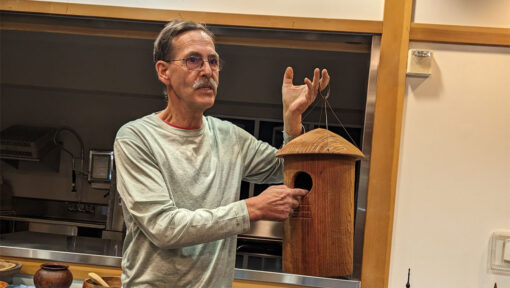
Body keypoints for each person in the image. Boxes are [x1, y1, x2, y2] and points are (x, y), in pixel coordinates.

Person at [114, 20, 330, 287]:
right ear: (164, 71)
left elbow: (284, 169)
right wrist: (252, 208)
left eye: (213, 61)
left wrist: (292, 119)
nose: (207, 71)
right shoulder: (136, 138)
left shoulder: (230, 137)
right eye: (193, 60)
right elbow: (164, 228)